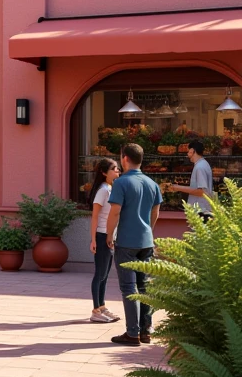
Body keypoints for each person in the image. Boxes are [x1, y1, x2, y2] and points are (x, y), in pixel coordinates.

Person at [106, 143, 162, 347]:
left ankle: (132, 333)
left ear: (125, 158)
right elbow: (156, 212)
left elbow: (115, 211)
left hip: (127, 242)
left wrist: (109, 234)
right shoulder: (151, 183)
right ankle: (146, 330)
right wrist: (148, 229)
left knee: (129, 288)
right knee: (144, 287)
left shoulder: (121, 183)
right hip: (146, 241)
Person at [88, 158, 121, 323]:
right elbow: (94, 217)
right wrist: (93, 240)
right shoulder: (103, 191)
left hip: (109, 237)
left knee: (105, 275)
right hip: (101, 236)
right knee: (100, 274)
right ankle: (96, 310)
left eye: (117, 169)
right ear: (104, 172)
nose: (117, 171)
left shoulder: (111, 189)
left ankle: (102, 307)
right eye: (114, 169)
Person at [170, 139, 214, 221]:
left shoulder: (200, 167)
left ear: (193, 151)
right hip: (203, 209)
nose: (187, 154)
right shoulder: (203, 164)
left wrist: (178, 187)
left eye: (188, 151)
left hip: (201, 211)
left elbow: (201, 192)